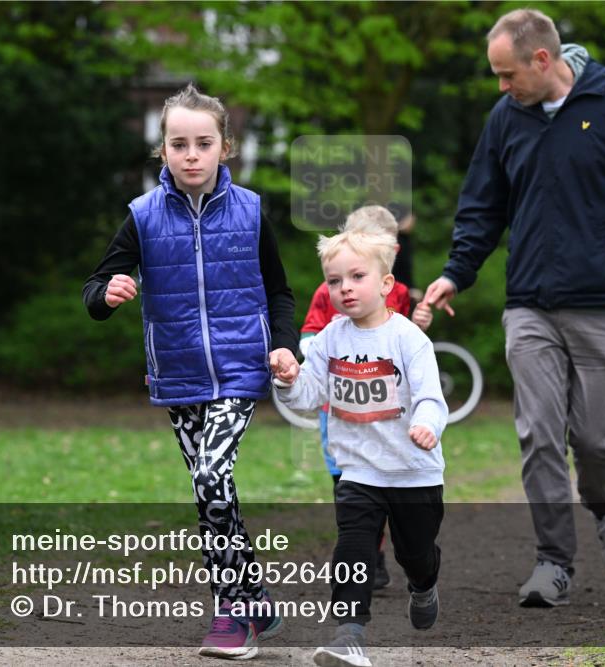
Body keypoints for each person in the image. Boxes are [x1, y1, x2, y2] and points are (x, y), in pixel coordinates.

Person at [422, 8, 605, 607]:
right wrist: (454, 275)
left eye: (506, 73)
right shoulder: (505, 118)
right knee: (539, 433)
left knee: (597, 440)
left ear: (543, 60)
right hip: (531, 305)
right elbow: (482, 206)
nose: (500, 86)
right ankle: (553, 562)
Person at [83, 83, 298, 660]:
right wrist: (110, 292)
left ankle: (231, 617)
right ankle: (255, 599)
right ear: (164, 153)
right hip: (178, 376)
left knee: (210, 479)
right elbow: (93, 291)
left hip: (238, 369)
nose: (192, 155)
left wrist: (283, 346)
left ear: (225, 147)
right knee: (213, 495)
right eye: (179, 144)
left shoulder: (252, 212)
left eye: (204, 143)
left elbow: (279, 292)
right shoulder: (142, 217)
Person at [273, 229, 448, 667]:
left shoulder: (408, 339)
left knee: (415, 553)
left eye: (356, 276)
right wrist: (291, 379)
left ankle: (424, 584)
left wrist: (427, 424)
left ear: (386, 284)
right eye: (334, 281)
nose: (344, 288)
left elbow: (431, 396)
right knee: (354, 548)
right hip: (358, 472)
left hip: (413, 471)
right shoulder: (331, 338)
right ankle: (349, 634)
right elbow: (310, 396)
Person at [299, 205, 433, 593]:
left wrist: (419, 322)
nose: (349, 285)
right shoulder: (328, 292)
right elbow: (311, 335)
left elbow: (404, 342)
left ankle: (398, 550)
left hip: (387, 413)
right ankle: (365, 552)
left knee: (391, 484)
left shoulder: (401, 293)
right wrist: (316, 354)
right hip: (339, 406)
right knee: (348, 481)